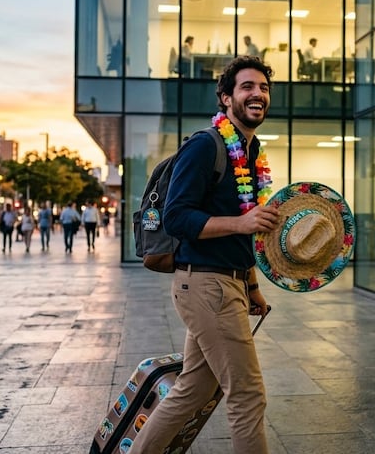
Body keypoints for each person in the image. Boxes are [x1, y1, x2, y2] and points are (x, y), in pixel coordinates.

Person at [130, 56, 278, 454]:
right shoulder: (204, 146)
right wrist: (241, 223)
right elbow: (177, 217)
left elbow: (246, 229)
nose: (257, 94)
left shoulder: (250, 151)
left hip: (226, 282)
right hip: (205, 284)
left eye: (263, 88)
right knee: (248, 396)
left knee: (192, 390)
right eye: (247, 87)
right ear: (226, 97)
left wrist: (252, 285)